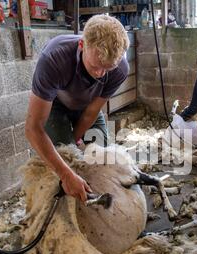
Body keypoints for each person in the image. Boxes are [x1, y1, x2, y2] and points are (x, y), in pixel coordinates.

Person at [25, 15, 130, 202]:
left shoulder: (119, 69)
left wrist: (75, 142)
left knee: (99, 160)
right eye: (95, 66)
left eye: (106, 69)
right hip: (56, 107)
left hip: (86, 107)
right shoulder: (54, 59)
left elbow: (91, 112)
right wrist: (66, 172)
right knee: (64, 162)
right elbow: (33, 128)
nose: (100, 74)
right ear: (82, 45)